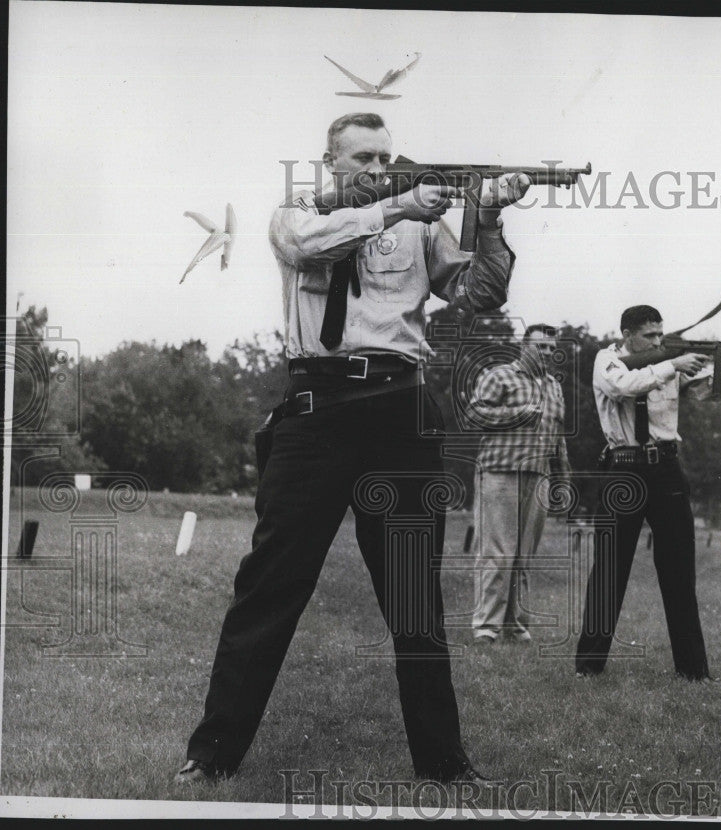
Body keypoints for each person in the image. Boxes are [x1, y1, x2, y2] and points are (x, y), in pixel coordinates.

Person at [175, 112, 529, 784]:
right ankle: (213, 753)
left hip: (399, 410)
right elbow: (312, 247)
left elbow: (478, 292)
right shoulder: (297, 212)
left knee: (414, 598)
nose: (376, 169)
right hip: (317, 410)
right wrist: (398, 204)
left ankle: (445, 764)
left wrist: (489, 218)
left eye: (386, 158)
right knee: (271, 587)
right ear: (329, 162)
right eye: (362, 158)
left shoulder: (422, 224)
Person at [574, 304, 721, 681]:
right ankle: (588, 667)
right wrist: (672, 363)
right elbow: (623, 387)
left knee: (680, 571)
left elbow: (713, 392)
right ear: (627, 334)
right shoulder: (608, 360)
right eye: (650, 336)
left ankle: (693, 671)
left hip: (665, 467)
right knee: (610, 570)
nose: (658, 341)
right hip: (624, 468)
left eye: (661, 335)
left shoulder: (666, 366)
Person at [467, 324, 570, 644]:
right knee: (497, 553)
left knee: (524, 556)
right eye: (540, 347)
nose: (547, 353)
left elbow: (559, 439)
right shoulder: (499, 376)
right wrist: (519, 413)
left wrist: (563, 479)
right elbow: (473, 415)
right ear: (523, 347)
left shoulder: (554, 386)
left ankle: (514, 623)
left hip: (538, 475)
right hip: (499, 472)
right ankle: (486, 625)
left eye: (551, 348)